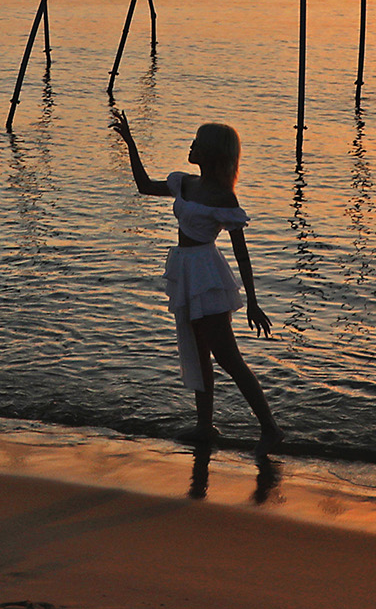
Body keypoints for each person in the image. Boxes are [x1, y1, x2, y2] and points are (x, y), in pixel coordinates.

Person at [109, 111, 283, 449]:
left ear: (212, 154)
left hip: (206, 274)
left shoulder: (223, 198)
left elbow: (242, 253)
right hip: (185, 269)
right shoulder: (185, 183)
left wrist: (253, 300)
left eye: (198, 143)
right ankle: (205, 425)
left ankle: (270, 428)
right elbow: (145, 186)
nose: (191, 146)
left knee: (227, 357)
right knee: (199, 353)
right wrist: (130, 144)